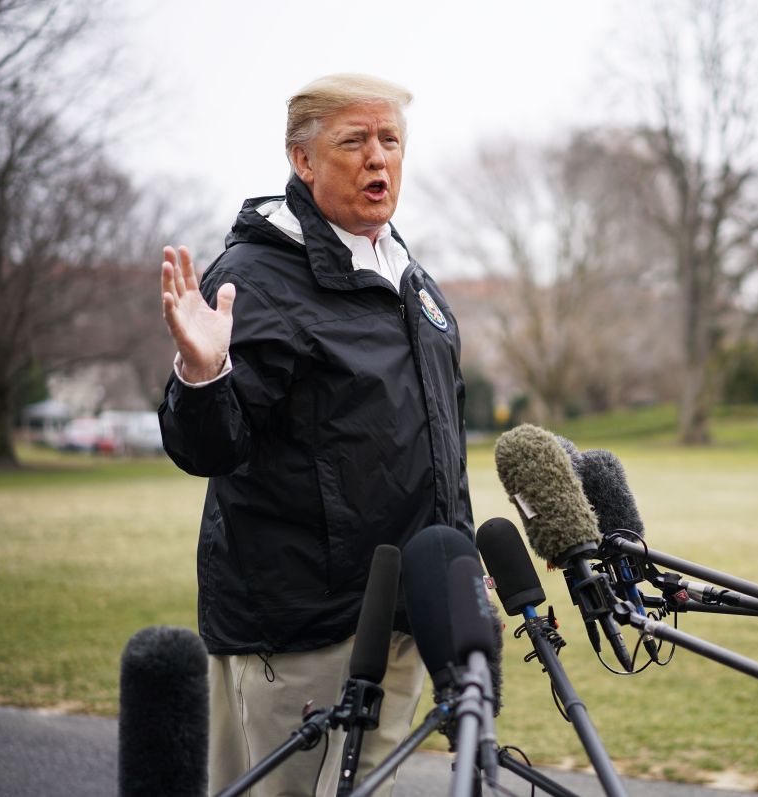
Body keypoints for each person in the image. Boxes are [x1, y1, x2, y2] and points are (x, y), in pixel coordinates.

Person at [157, 73, 474, 797]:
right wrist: (202, 375)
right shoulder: (257, 276)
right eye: (354, 140)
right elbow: (206, 447)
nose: (378, 159)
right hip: (301, 629)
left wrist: (458, 552)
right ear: (302, 160)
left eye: (390, 140)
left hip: (400, 617)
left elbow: (440, 442)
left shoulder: (412, 281)